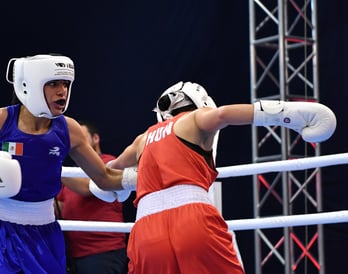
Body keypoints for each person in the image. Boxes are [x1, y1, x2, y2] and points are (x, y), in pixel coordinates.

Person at [92, 81, 336, 274]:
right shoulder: (195, 119)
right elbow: (222, 116)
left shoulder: (143, 138)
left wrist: (121, 182)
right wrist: (286, 113)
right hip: (192, 219)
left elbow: (109, 170)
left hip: (145, 231)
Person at [0, 53, 136, 274]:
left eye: (65, 84)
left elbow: (104, 177)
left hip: (43, 235)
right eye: (53, 83)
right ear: (30, 85)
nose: (62, 91)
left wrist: (140, 178)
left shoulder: (70, 129)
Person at [56, 120, 129, 274]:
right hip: (74, 253)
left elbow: (86, 187)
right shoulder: (70, 174)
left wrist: (51, 166)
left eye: (81, 135)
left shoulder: (109, 164)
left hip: (103, 251)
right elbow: (58, 208)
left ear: (95, 138)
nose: (76, 139)